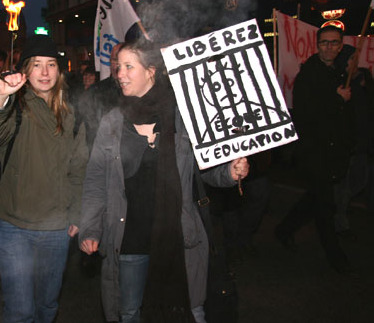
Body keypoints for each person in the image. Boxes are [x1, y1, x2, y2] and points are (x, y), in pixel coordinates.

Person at [78, 39, 249, 323]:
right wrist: (90, 229)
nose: (119, 74)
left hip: (178, 238)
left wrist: (230, 173)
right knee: (128, 312)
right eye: (118, 67)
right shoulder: (111, 122)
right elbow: (96, 181)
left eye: (129, 66)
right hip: (129, 240)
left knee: (190, 311)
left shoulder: (182, 118)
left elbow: (205, 169)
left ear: (151, 71)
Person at [0, 35, 88, 323]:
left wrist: (76, 212)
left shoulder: (72, 116)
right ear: (25, 71)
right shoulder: (14, 109)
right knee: (20, 311)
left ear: (59, 71)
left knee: (47, 305)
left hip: (56, 228)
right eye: (37, 65)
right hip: (14, 227)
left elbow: (79, 170)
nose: (45, 72)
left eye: (51, 65)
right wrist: (0, 95)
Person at [275, 25, 354, 274]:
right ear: (317, 45)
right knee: (324, 205)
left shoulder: (340, 73)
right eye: (324, 43)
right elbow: (307, 115)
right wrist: (337, 100)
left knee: (315, 198)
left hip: (332, 151)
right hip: (313, 151)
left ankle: (284, 229)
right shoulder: (309, 74)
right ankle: (336, 257)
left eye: (334, 43)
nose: (329, 47)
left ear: (341, 46)